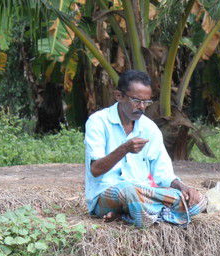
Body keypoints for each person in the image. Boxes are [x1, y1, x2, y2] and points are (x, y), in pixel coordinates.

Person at [84, 70, 206, 227]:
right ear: (118, 96)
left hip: (144, 194)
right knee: (128, 191)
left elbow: (163, 173)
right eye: (136, 101)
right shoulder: (98, 122)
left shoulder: (149, 127)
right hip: (106, 195)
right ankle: (150, 212)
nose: (141, 107)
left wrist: (184, 188)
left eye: (146, 102)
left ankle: (127, 214)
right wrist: (124, 149)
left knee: (198, 202)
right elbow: (95, 169)